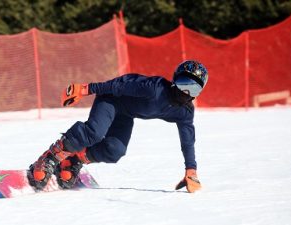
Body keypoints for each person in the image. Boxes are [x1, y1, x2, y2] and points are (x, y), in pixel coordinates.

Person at [28, 60, 208, 193]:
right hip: (112, 99)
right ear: (175, 79)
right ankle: (49, 158)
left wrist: (191, 170)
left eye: (194, 89)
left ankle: (74, 160)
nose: (186, 93)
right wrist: (85, 89)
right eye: (185, 84)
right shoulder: (155, 89)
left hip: (126, 114)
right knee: (93, 133)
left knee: (115, 151)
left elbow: (187, 141)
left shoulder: (184, 112)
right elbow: (119, 86)